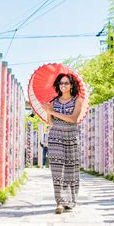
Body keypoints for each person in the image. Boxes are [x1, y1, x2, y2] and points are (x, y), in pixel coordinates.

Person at [42, 73, 83, 214]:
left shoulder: (78, 101)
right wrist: (48, 111)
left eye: (66, 83)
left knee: (71, 169)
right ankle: (59, 202)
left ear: (71, 85)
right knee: (57, 170)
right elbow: (50, 122)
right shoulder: (53, 101)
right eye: (61, 83)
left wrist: (53, 111)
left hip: (71, 136)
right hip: (55, 137)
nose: (63, 85)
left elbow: (73, 119)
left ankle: (69, 201)